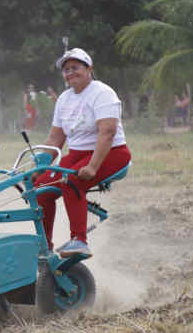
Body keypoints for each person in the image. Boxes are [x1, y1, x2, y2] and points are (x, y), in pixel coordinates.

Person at [33, 48, 132, 258]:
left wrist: (93, 167)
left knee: (71, 180)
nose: (70, 72)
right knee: (41, 187)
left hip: (111, 153)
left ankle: (79, 240)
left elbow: (107, 133)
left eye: (75, 67)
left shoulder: (102, 93)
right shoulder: (64, 99)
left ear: (89, 69)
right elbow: (55, 139)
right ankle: (44, 247)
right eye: (66, 69)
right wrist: (39, 167)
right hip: (78, 155)